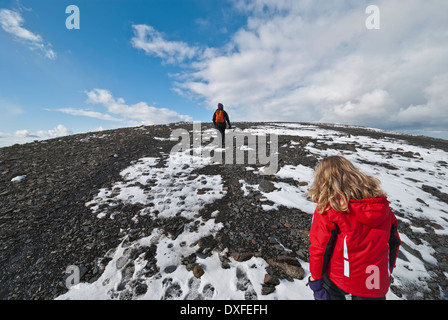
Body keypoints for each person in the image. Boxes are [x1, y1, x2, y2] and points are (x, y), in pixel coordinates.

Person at [306, 156, 401, 300]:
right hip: (375, 280)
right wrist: (389, 269)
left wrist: (315, 281)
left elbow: (319, 248)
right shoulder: (382, 206)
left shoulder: (330, 208)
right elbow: (394, 241)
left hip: (340, 277)